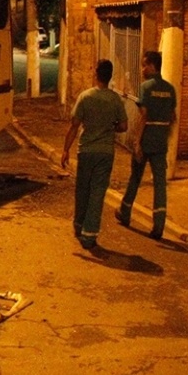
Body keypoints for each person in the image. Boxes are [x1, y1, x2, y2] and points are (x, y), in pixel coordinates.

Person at [61, 59, 127, 251]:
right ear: (110, 76)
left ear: (96, 74)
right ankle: (90, 234)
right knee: (98, 192)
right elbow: (123, 126)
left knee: (83, 189)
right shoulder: (115, 100)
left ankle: (79, 225)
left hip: (86, 151)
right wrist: (110, 126)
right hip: (106, 152)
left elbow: (74, 126)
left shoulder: (85, 97)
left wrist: (65, 150)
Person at [116, 49, 177, 239]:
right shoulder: (170, 89)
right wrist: (166, 136)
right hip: (160, 140)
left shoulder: (146, 87)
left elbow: (143, 116)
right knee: (160, 183)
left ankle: (125, 212)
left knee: (136, 177)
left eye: (144, 65)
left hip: (147, 138)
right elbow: (173, 118)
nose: (142, 69)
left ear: (152, 66)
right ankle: (159, 225)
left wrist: (137, 141)